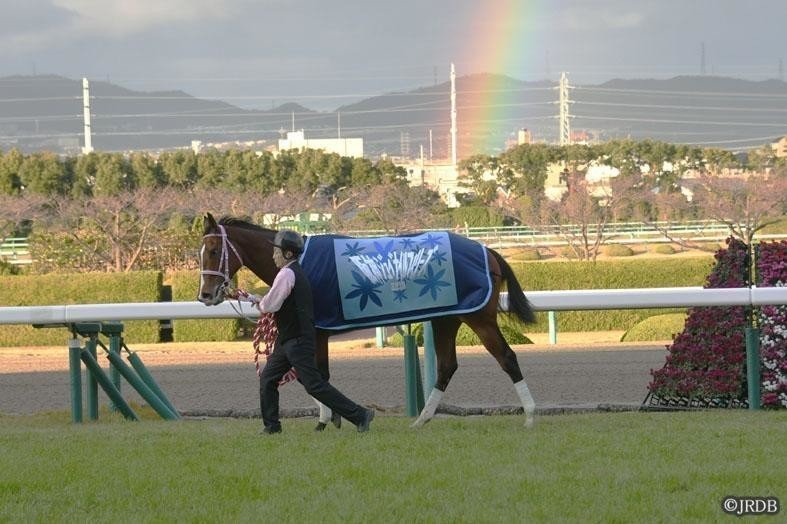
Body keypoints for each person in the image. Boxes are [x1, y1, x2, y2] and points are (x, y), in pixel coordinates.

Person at [249, 229, 374, 434]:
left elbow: (271, 304)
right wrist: (258, 300)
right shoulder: (292, 272)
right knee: (268, 378)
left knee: (314, 385)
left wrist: (260, 303)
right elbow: (274, 301)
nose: (273, 255)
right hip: (288, 339)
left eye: (276, 251)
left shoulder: (286, 274)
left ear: (288, 253)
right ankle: (272, 427)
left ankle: (360, 415)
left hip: (296, 340)